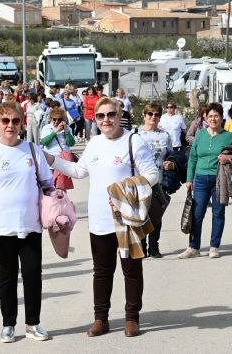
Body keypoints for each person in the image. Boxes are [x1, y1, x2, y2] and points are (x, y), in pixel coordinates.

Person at [44, 97, 158, 338]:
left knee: (131, 271)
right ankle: (101, 319)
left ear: (119, 115)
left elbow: (152, 174)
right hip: (99, 221)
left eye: (110, 115)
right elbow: (79, 170)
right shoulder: (94, 142)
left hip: (127, 220)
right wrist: (51, 160)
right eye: (100, 116)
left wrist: (126, 189)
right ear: (94, 119)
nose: (106, 120)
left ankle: (131, 317)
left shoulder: (133, 141)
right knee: (102, 272)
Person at [0, 101, 52, 343]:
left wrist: (56, 201)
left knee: (32, 275)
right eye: (5, 121)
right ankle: (8, 324)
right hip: (1, 227)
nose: (10, 125)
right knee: (7, 276)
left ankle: (33, 323)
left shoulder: (32, 150)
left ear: (22, 123)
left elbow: (47, 184)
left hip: (30, 225)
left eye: (15, 121)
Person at [180, 103, 232, 259]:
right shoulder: (200, 135)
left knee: (218, 213)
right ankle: (193, 247)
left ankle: (214, 246)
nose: (213, 119)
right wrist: (189, 179)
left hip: (220, 179)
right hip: (200, 179)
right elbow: (193, 158)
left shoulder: (229, 136)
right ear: (205, 118)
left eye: (216, 116)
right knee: (197, 214)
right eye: (210, 116)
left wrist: (228, 158)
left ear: (221, 118)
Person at [137, 103, 174, 258]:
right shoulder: (136, 134)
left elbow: (171, 154)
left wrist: (171, 163)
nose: (153, 117)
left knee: (156, 215)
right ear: (144, 115)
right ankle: (141, 245)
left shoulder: (165, 136)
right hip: (140, 181)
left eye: (157, 114)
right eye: (150, 114)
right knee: (140, 215)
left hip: (159, 180)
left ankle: (154, 246)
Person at [40, 107, 75, 190]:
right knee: (51, 189)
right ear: (51, 119)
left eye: (59, 119)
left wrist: (66, 131)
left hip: (63, 163)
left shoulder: (68, 128)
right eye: (54, 119)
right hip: (50, 163)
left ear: (63, 119)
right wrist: (55, 132)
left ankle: (63, 202)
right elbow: (44, 142)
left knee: (62, 188)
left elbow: (71, 143)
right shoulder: (47, 128)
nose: (56, 122)